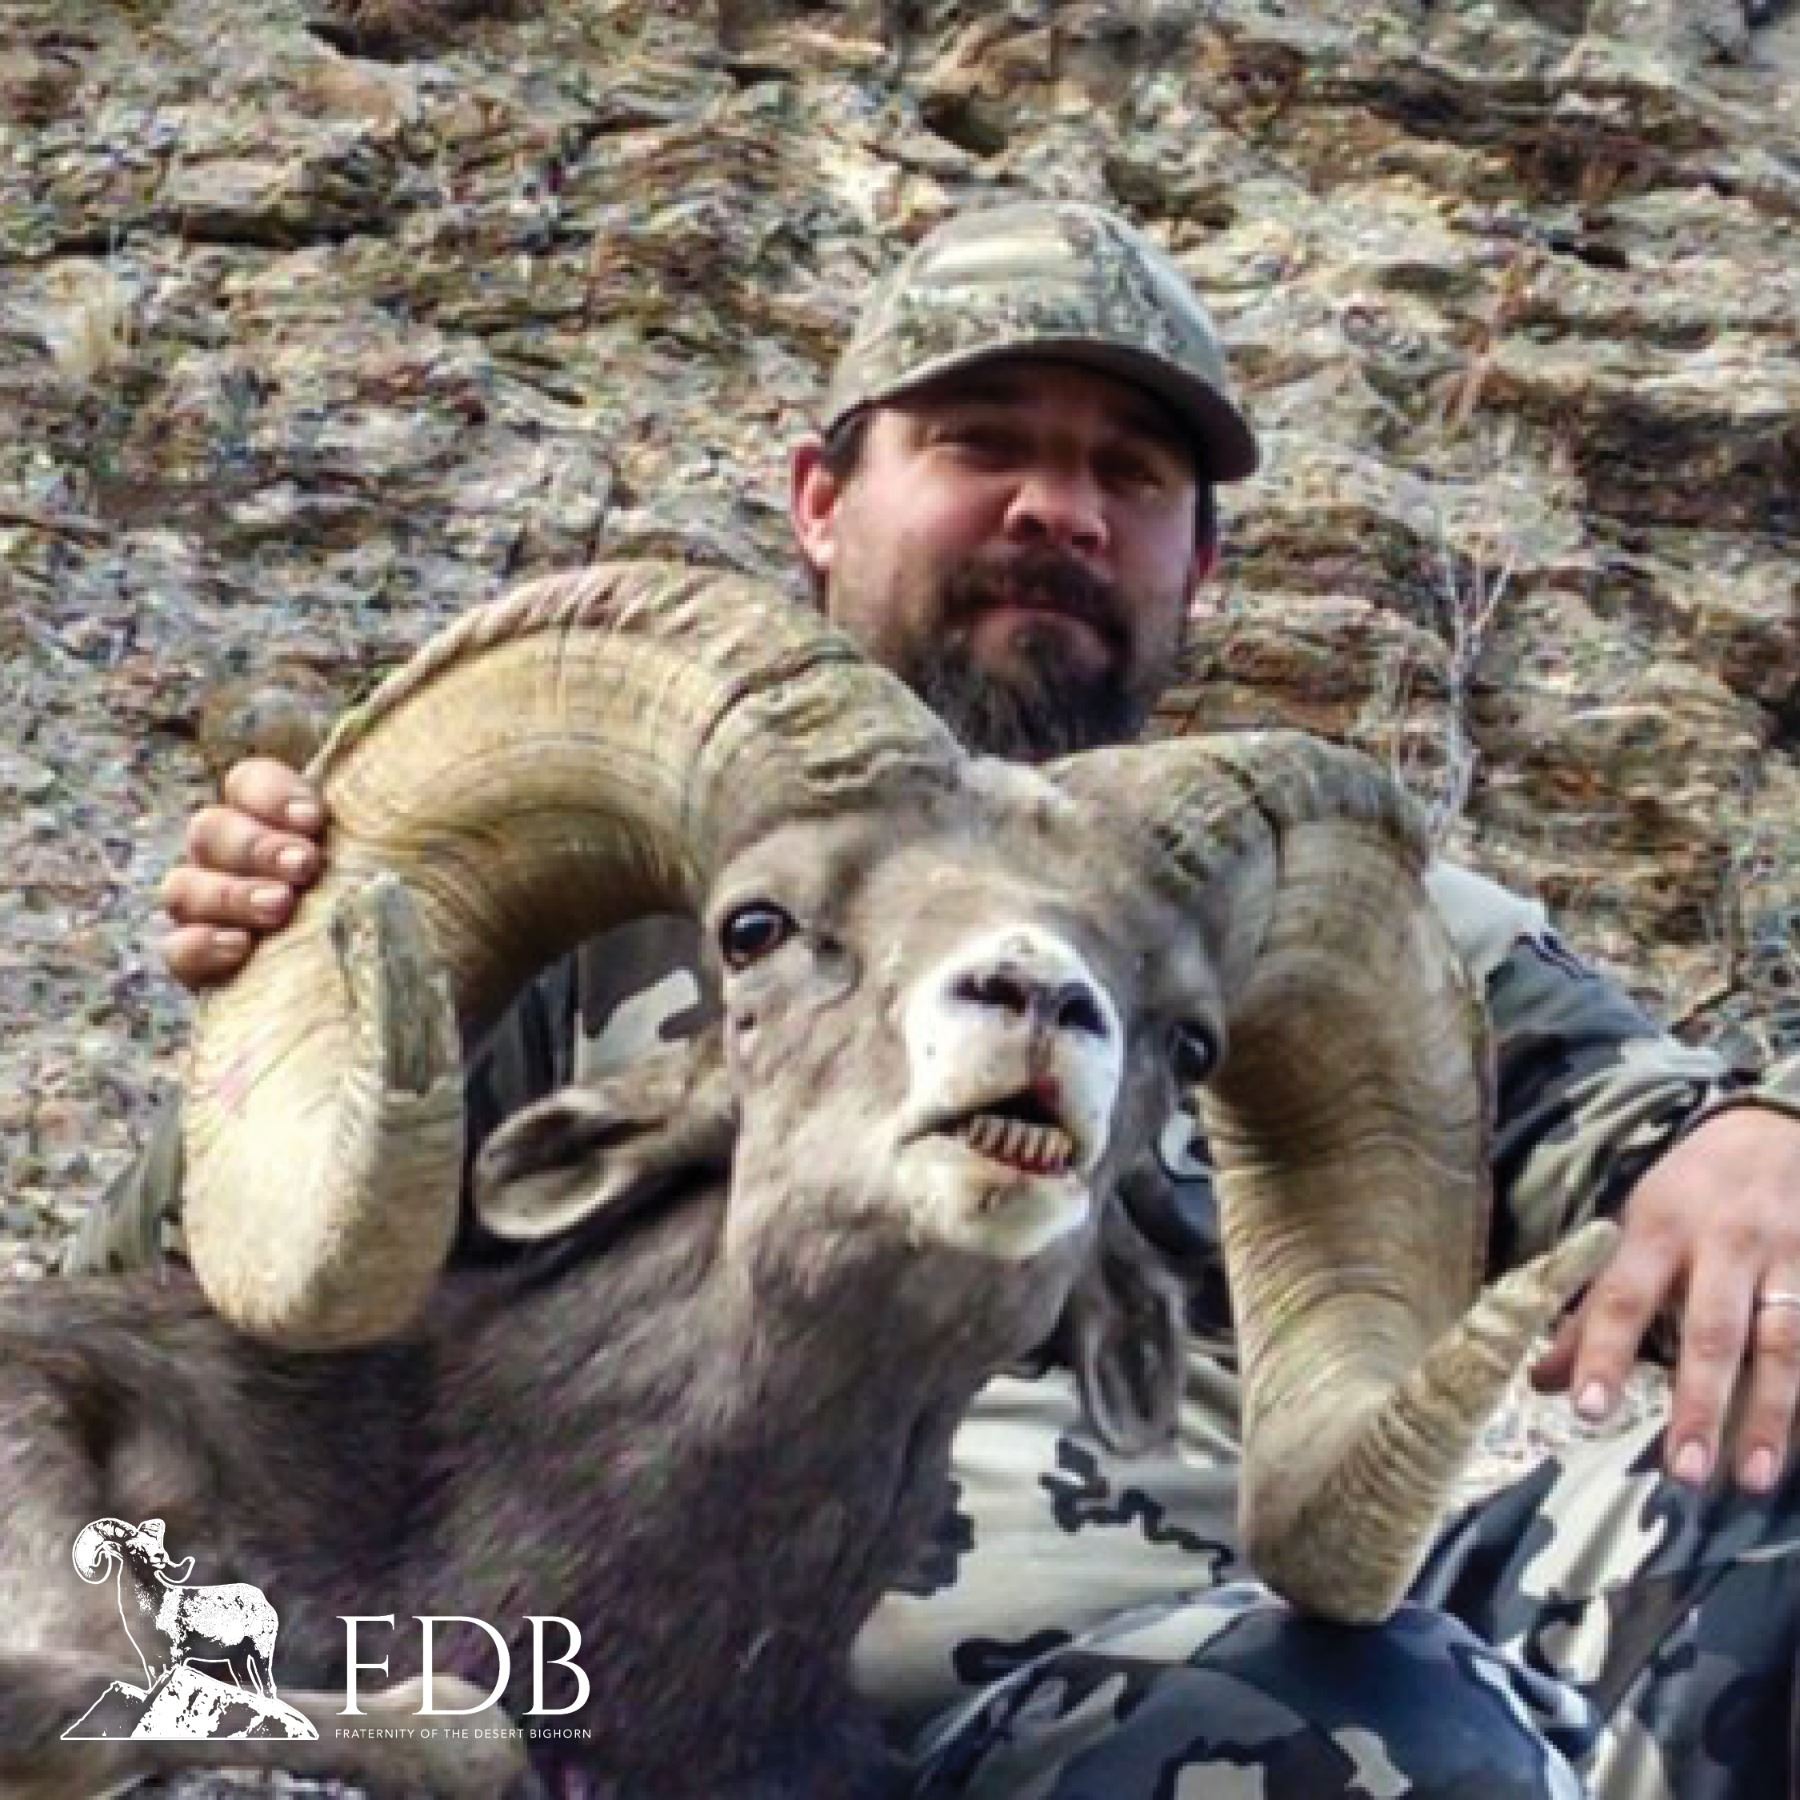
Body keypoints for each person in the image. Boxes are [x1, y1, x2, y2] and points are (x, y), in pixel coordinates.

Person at [80, 200, 1800, 1797]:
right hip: (654, 1670)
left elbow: (1657, 1128)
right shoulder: (599, 886)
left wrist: (1749, 1143)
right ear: (821, 502)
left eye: (1131, 473)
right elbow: (203, 1312)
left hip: (1194, 1684)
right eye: (983, 443)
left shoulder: (1298, 920)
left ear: (1199, 570)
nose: (1061, 508)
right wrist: (285, 977)